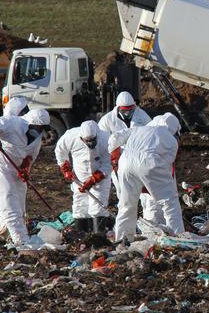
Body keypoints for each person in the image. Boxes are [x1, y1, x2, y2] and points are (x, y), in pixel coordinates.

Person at [0, 109, 50, 245]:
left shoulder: (37, 139)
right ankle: (21, 243)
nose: (39, 131)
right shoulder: (11, 123)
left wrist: (25, 168)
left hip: (17, 171)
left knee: (20, 208)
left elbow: (30, 156)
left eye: (42, 128)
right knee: (9, 203)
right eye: (37, 127)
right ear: (29, 123)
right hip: (1, 168)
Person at [110, 113, 184, 241]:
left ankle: (122, 239)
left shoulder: (140, 128)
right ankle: (177, 238)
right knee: (170, 203)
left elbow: (115, 137)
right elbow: (167, 167)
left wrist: (114, 158)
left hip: (126, 163)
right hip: (149, 163)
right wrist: (152, 186)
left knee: (126, 205)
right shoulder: (171, 140)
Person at [55, 120, 112, 233]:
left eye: (93, 140)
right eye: (87, 141)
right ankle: (82, 236)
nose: (90, 143)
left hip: (100, 178)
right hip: (79, 178)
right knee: (80, 206)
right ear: (81, 138)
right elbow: (60, 151)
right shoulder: (70, 136)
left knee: (98, 207)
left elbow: (108, 163)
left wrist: (94, 179)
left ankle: (98, 237)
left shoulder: (106, 139)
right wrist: (65, 167)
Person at [98, 91, 151, 196]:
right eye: (124, 111)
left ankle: (144, 209)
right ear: (118, 108)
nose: (127, 113)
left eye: (130, 110)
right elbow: (101, 140)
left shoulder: (142, 115)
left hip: (138, 156)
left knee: (143, 187)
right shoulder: (108, 119)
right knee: (122, 189)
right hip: (118, 158)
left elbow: (151, 132)